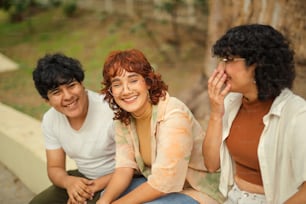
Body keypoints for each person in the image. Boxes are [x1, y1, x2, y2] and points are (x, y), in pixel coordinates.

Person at [96, 49, 224, 204]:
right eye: (117, 84)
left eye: (133, 80)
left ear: (148, 82)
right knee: (106, 194)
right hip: (160, 185)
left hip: (197, 189)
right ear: (111, 91)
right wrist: (103, 202)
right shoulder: (124, 119)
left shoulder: (173, 114)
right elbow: (124, 168)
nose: (126, 90)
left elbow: (164, 182)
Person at [203, 24, 306, 204]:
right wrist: (215, 114)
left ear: (258, 64)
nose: (220, 69)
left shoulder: (297, 115)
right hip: (232, 197)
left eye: (228, 60)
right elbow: (211, 165)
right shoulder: (230, 103)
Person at [29, 53, 116, 204]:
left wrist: (92, 187)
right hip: (83, 177)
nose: (68, 96)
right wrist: (69, 182)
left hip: (119, 178)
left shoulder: (110, 110)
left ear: (82, 84)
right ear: (47, 100)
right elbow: (55, 167)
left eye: (71, 86)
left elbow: (136, 165)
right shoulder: (50, 120)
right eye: (56, 92)